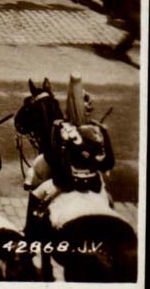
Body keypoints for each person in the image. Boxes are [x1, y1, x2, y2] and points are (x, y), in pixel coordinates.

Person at [27, 73, 116, 226]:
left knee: (36, 196)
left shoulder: (58, 127)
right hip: (94, 184)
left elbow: (51, 157)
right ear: (89, 110)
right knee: (109, 203)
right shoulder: (99, 129)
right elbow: (109, 162)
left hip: (65, 184)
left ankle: (30, 237)